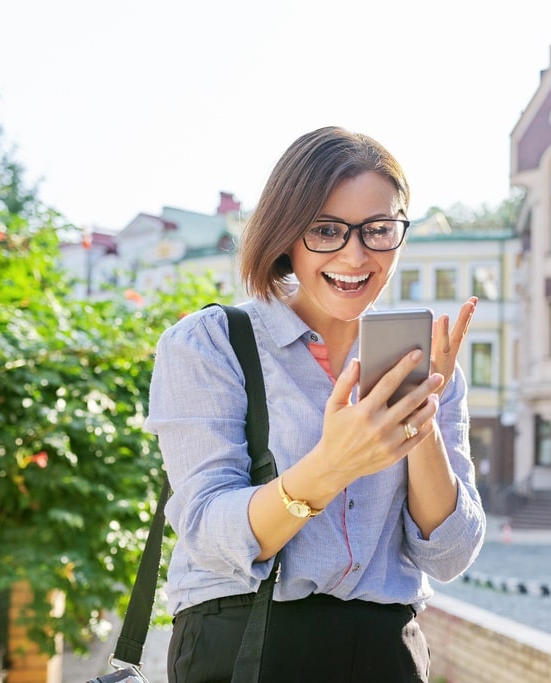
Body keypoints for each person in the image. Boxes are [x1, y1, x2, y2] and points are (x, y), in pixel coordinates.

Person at [145, 126, 486, 682]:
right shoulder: (211, 343)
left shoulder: (426, 365)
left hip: (384, 651)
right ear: (285, 234)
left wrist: (421, 421)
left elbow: (448, 556)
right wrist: (332, 466)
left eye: (379, 230)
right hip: (244, 644)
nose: (355, 254)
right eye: (326, 230)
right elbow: (207, 532)